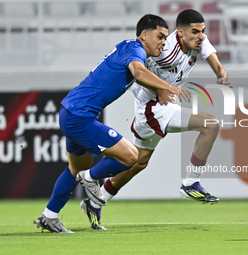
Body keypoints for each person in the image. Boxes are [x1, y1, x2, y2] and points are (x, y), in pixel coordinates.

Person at [80, 9, 232, 230]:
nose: (201, 36)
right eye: (195, 32)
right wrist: (161, 89)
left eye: (203, 31)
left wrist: (220, 72)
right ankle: (191, 182)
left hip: (164, 105)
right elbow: (138, 73)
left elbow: (210, 55)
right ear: (180, 32)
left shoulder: (198, 41)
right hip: (153, 107)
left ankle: (95, 200)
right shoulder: (165, 50)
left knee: (139, 162)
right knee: (211, 124)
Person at [35, 14, 184, 233]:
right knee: (132, 157)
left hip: (71, 111)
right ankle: (91, 179)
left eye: (165, 38)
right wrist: (170, 87)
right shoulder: (136, 51)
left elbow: (139, 74)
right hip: (80, 116)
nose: (163, 42)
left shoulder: (128, 47)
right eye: (160, 36)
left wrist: (160, 89)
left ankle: (49, 216)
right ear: (144, 35)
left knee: (76, 169)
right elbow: (139, 73)